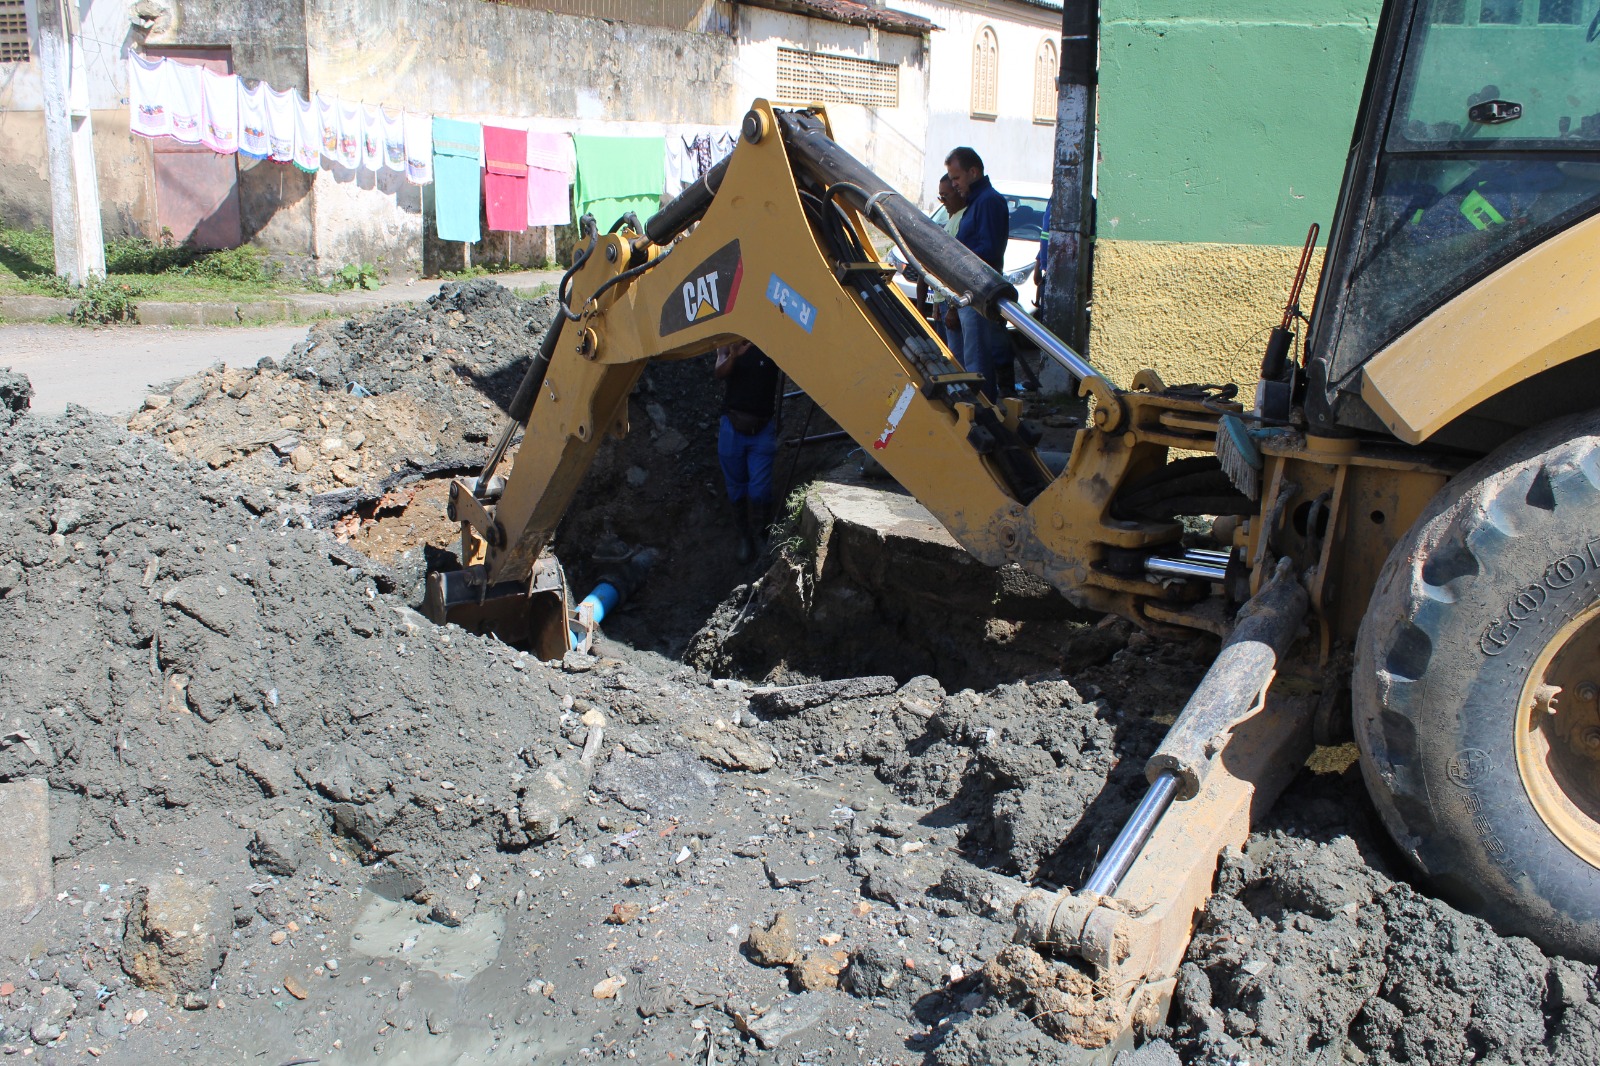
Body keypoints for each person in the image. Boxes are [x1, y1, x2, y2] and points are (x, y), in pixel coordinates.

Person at [945, 146, 1013, 401]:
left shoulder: (988, 202)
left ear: (973, 172)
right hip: (967, 290)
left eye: (956, 178)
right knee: (965, 359)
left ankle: (982, 410)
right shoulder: (975, 203)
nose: (954, 185)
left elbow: (990, 249)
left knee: (977, 360)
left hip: (977, 291)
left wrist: (955, 256)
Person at [714, 340, 782, 564]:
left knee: (760, 489)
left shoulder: (774, 339)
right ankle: (745, 537)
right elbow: (719, 371)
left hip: (762, 428)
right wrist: (733, 355)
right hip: (733, 425)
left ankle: (761, 533)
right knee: (736, 487)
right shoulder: (731, 337)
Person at [920, 174, 966, 356]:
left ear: (958, 192)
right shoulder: (952, 219)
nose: (943, 202)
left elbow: (958, 269)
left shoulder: (962, 219)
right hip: (943, 302)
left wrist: (953, 308)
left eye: (945, 196)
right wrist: (937, 303)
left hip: (952, 304)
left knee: (955, 358)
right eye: (940, 197)